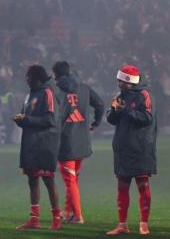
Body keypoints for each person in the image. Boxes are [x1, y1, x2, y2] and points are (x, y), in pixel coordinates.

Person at [106, 65, 157, 236]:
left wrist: (126, 110)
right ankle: (122, 224)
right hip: (122, 147)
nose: (118, 82)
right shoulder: (120, 96)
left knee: (142, 185)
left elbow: (147, 118)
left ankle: (144, 223)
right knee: (122, 186)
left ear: (128, 81)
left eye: (121, 80)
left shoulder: (145, 95)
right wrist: (114, 110)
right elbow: (111, 119)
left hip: (141, 147)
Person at [52, 60, 104, 225]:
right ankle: (68, 212)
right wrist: (96, 122)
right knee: (73, 179)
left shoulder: (56, 91)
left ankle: (78, 215)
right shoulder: (83, 87)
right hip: (82, 141)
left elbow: (54, 117)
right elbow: (100, 104)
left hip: (66, 143)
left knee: (70, 180)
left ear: (56, 75)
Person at [13, 64, 62, 230]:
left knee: (48, 179)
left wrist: (26, 120)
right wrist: (21, 120)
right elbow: (28, 119)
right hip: (30, 143)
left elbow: (50, 120)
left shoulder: (47, 93)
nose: (27, 79)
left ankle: (56, 218)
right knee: (32, 180)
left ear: (37, 77)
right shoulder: (30, 95)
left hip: (44, 144)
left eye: (29, 76)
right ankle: (34, 219)